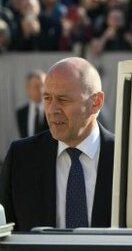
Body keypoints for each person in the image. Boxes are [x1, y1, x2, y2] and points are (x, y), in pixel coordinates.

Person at [1, 57, 114, 231]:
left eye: (63, 99)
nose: (52, 110)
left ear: (96, 102)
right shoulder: (21, 158)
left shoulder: (127, 157)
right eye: (47, 98)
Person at [15, 70, 48, 138]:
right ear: (28, 89)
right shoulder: (21, 113)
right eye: (36, 86)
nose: (41, 90)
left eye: (43, 85)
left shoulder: (52, 110)